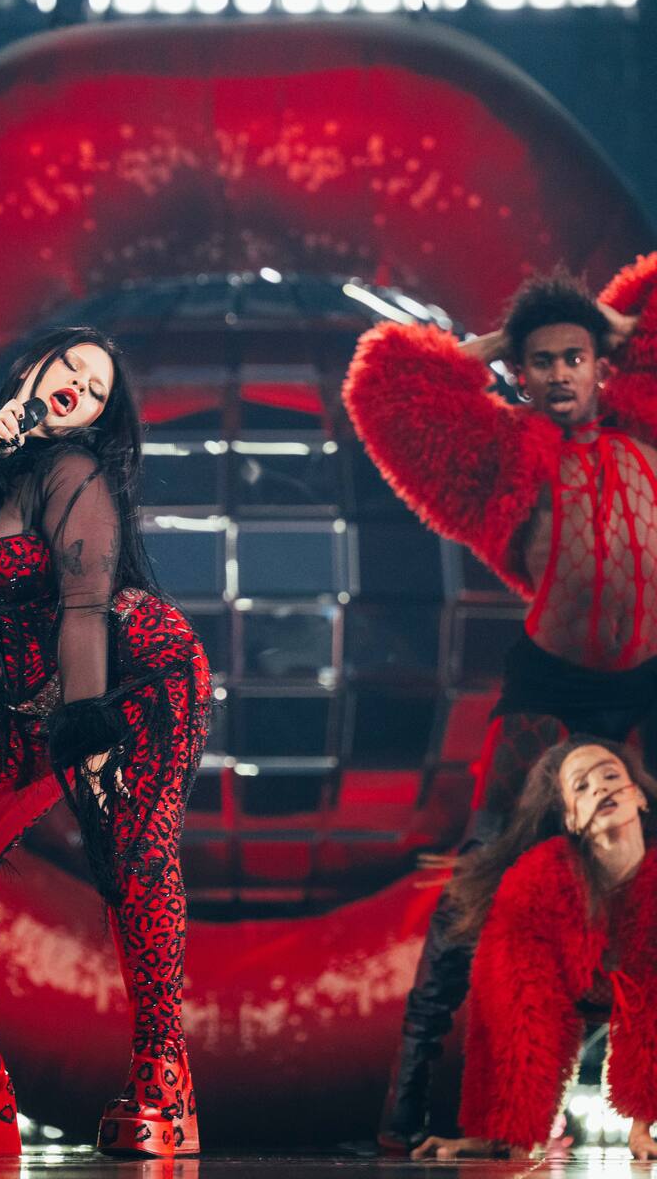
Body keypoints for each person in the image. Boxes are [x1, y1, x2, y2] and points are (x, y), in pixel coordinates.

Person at [0, 328, 211, 1158]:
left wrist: (87, 733)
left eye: (97, 392)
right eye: (73, 371)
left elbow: (87, 607)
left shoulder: (73, 472)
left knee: (131, 854)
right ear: (30, 370)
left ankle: (164, 1078)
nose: (81, 391)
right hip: (18, 707)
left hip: (128, 686)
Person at [343, 254, 657, 1149]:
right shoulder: (505, 457)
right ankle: (408, 1097)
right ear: (520, 374)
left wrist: (621, 327)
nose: (559, 375)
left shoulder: (647, 428)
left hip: (648, 685)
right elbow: (387, 388)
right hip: (548, 691)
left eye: (574, 358)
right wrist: (490, 344)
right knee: (481, 876)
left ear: (602, 365)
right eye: (541, 362)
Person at [412, 737, 657, 1161]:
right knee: (510, 987)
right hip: (568, 983)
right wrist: (503, 1132)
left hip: (640, 983)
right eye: (581, 786)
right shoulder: (537, 881)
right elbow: (515, 1010)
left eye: (610, 776)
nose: (600, 787)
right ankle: (502, 1131)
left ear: (638, 795)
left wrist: (642, 1128)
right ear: (571, 819)